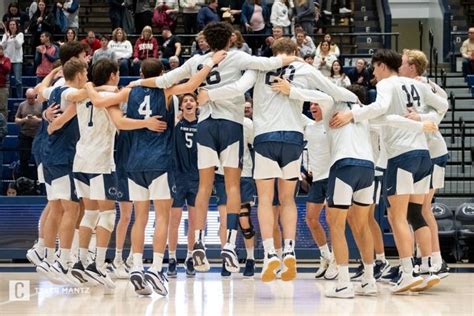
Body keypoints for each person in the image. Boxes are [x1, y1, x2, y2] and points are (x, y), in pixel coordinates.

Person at [130, 22, 298, 274]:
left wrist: (139, 84)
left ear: (206, 40)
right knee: (231, 185)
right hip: (231, 124)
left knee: (204, 186)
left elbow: (165, 80)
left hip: (205, 124)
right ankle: (229, 243)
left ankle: (197, 240)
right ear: (230, 39)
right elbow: (270, 64)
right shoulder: (239, 56)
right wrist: (296, 57)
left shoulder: (196, 61)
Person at [195, 37, 358, 282]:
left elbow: (238, 89)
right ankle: (290, 249)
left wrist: (209, 95)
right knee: (287, 199)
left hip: (265, 137)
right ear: (294, 51)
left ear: (273, 53)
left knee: (264, 198)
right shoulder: (304, 67)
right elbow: (333, 91)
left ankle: (271, 252)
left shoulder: (259, 66)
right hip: (292, 137)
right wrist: (357, 105)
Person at [85, 53, 227, 296]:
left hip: (133, 163)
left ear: (140, 75)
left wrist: (88, 84)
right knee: (161, 217)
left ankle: (137, 266)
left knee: (139, 217)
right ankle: (156, 267)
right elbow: (192, 85)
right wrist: (211, 62)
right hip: (160, 162)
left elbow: (105, 108)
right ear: (162, 76)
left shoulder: (130, 91)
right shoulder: (166, 92)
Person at [329, 49, 449, 294]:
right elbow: (444, 104)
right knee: (416, 214)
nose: (373, 73)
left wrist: (353, 113)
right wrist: (424, 118)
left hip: (401, 155)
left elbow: (381, 107)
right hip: (423, 155)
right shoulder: (417, 84)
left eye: (374, 68)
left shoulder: (387, 85)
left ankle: (407, 272)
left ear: (383, 66)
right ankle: (427, 268)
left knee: (397, 217)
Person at [34, 59, 88, 286]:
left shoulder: (54, 88)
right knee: (71, 209)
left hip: (49, 155)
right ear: (77, 75)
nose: (87, 76)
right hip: (65, 157)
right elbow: (77, 97)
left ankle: (46, 258)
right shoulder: (70, 92)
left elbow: (38, 91)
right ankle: (63, 263)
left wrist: (53, 72)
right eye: (85, 73)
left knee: (56, 208)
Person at [399, 48, 450, 281]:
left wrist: (420, 118)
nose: (400, 65)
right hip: (422, 153)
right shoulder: (408, 86)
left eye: (403, 62)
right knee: (416, 210)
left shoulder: (423, 84)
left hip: (433, 152)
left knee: (422, 209)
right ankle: (426, 260)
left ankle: (435, 261)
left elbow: (443, 105)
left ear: (412, 66)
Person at [303, 102, 338, 280]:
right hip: (317, 179)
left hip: (333, 176)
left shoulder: (331, 123)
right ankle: (326, 255)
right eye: (310, 104)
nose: (313, 107)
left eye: (317, 104)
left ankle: (337, 260)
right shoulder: (308, 126)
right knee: (311, 218)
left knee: (332, 220)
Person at [167, 93, 199, 278]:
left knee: (194, 223)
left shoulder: (202, 125)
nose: (188, 102)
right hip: (177, 177)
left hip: (196, 178)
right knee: (174, 222)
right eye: (185, 100)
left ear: (196, 105)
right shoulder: (176, 125)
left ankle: (190, 258)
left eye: (191, 100)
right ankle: (171, 258)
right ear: (181, 106)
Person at [15, 88, 42, 178]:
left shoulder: (41, 105)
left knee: (38, 159)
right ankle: (24, 178)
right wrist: (24, 119)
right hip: (25, 134)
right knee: (24, 158)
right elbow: (16, 120)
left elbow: (46, 120)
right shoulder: (22, 105)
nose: (30, 100)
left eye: (32, 98)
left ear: (35, 96)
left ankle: (38, 179)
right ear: (26, 97)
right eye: (29, 98)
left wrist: (37, 119)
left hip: (37, 135)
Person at [1, 20, 24, 98]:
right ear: (8, 26)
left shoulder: (20, 35)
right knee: (8, 81)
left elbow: (18, 45)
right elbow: (2, 47)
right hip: (7, 60)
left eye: (14, 24)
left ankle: (19, 97)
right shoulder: (5, 35)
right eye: (10, 24)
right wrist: (6, 37)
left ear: (16, 26)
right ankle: (8, 97)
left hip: (17, 60)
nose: (12, 26)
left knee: (18, 80)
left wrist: (14, 36)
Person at [0, 45, 11, 119]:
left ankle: (3, 126)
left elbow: (7, 69)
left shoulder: (6, 59)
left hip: (3, 87)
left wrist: (1, 64)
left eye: (1, 49)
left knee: (3, 107)